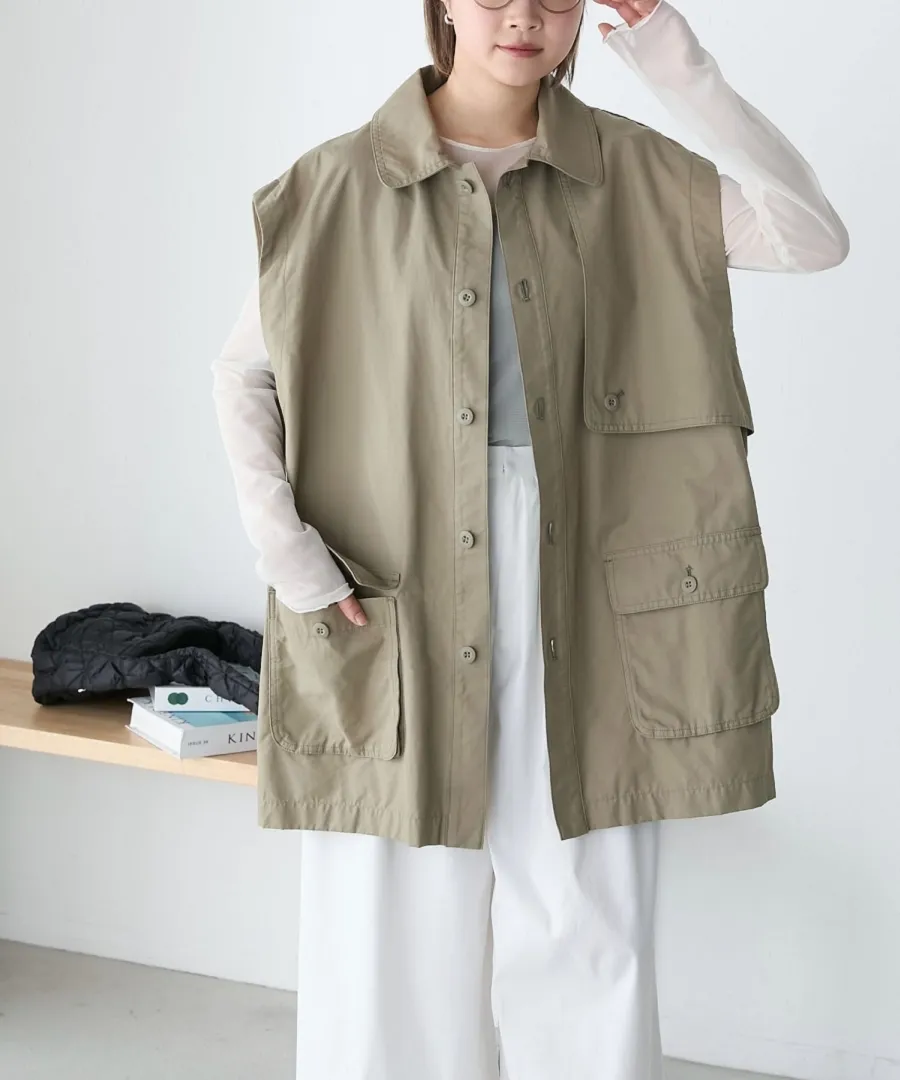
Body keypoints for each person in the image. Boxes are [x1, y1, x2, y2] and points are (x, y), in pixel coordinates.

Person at [211, 2, 849, 1078]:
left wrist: (668, 54)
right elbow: (244, 376)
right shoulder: (336, 185)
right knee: (390, 917)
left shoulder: (637, 172)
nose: (524, 14)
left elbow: (809, 233)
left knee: (587, 912)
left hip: (588, 574)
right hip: (396, 576)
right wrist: (292, 558)